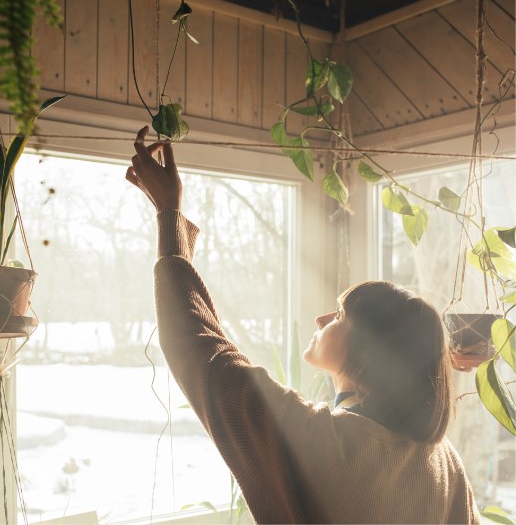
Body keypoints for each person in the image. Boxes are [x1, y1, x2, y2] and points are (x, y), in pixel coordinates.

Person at [127, 126, 480, 524]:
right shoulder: (444, 461)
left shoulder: (318, 439)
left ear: (369, 350)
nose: (321, 318)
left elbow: (199, 348)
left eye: (341, 314)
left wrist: (169, 212)